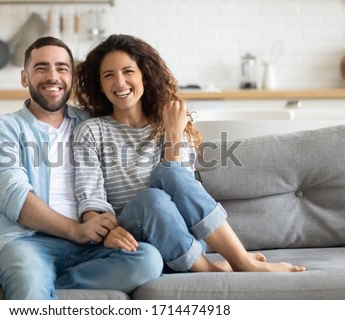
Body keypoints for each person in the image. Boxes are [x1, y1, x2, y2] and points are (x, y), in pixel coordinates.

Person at [73, 34, 306, 273]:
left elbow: (182, 185)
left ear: (144, 74)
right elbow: (91, 199)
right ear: (100, 85)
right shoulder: (91, 131)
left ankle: (238, 262)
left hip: (182, 236)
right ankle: (220, 269)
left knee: (171, 177)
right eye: (108, 75)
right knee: (150, 199)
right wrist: (106, 232)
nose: (120, 82)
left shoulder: (169, 122)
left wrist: (173, 134)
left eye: (128, 71)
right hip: (133, 236)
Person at [0, 36, 163, 299]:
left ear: (72, 78)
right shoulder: (1, 130)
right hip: (25, 242)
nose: (53, 77)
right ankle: (23, 277)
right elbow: (14, 197)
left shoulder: (93, 125)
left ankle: (14, 279)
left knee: (148, 259)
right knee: (29, 276)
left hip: (90, 245)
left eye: (62, 68)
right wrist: (77, 230)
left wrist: (104, 229)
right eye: (41, 68)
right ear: (24, 78)